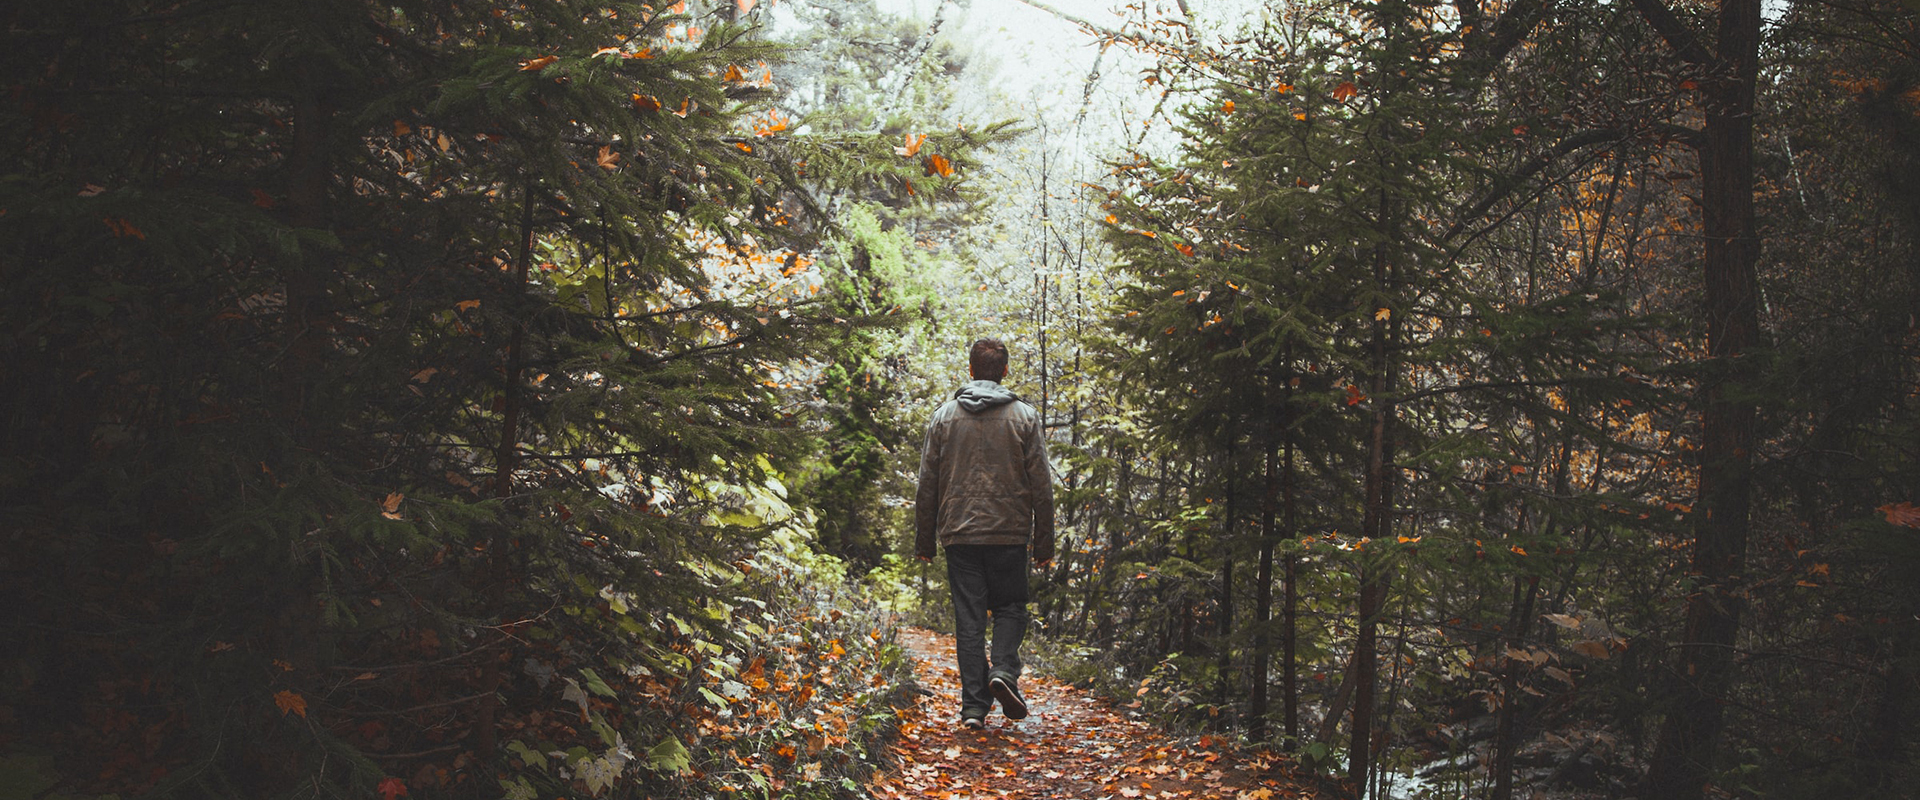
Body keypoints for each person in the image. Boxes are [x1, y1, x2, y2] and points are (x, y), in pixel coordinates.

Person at [915, 337, 1055, 730]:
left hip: (959, 535)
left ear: (971, 370)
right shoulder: (1024, 417)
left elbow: (928, 483)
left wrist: (925, 540)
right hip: (1009, 533)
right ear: (1005, 371)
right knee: (1011, 607)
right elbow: (1041, 485)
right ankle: (1004, 671)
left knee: (970, 620)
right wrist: (1043, 543)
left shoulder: (944, 417)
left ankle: (974, 709)